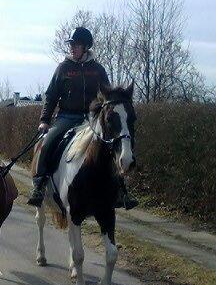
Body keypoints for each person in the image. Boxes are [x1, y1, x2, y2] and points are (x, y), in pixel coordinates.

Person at [27, 26, 138, 209]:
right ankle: (39, 186)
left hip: (91, 119)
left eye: (76, 45)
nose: (72, 48)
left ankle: (121, 190)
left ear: (86, 47)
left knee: (111, 145)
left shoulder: (98, 70)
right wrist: (44, 120)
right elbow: (51, 95)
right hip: (67, 117)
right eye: (71, 44)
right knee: (47, 143)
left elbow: (108, 98)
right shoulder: (63, 68)